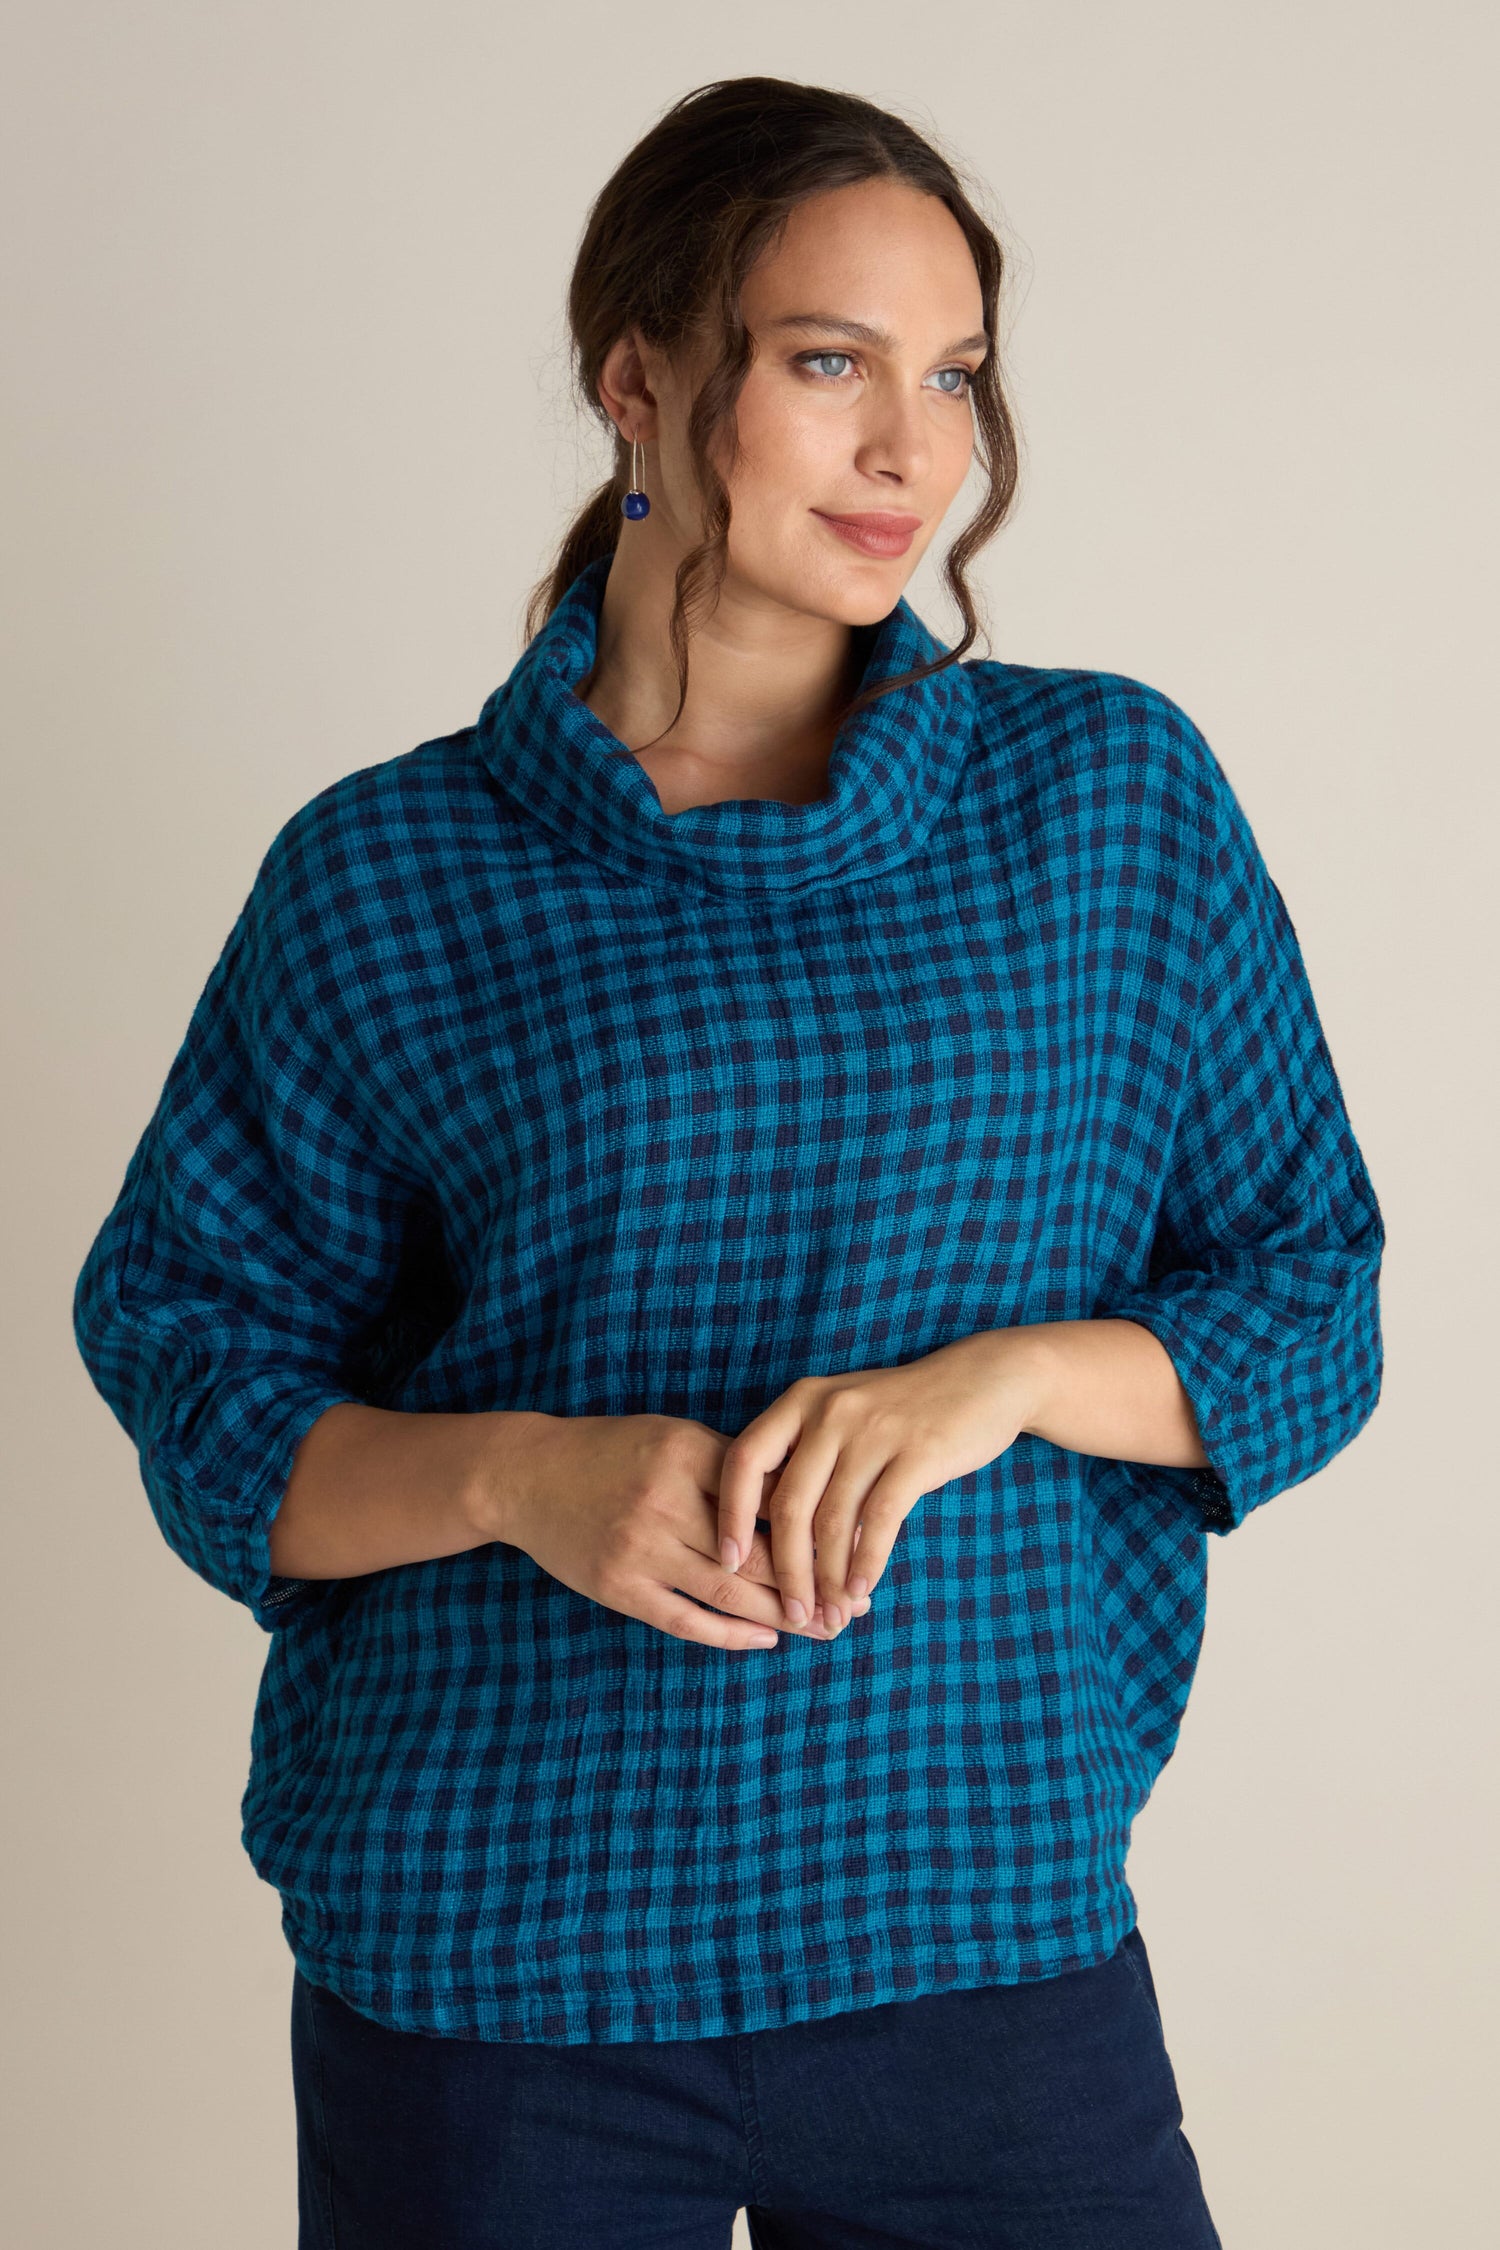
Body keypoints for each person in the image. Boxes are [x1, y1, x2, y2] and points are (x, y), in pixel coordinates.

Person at [72, 73, 1384, 2250]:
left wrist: (1009, 1380)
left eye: (952, 374)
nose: (909, 449)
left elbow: (1310, 1293)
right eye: (827, 363)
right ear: (641, 381)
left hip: (983, 1940)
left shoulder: (1107, 807)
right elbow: (196, 1372)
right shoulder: (392, 873)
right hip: (489, 1979)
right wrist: (516, 1478)